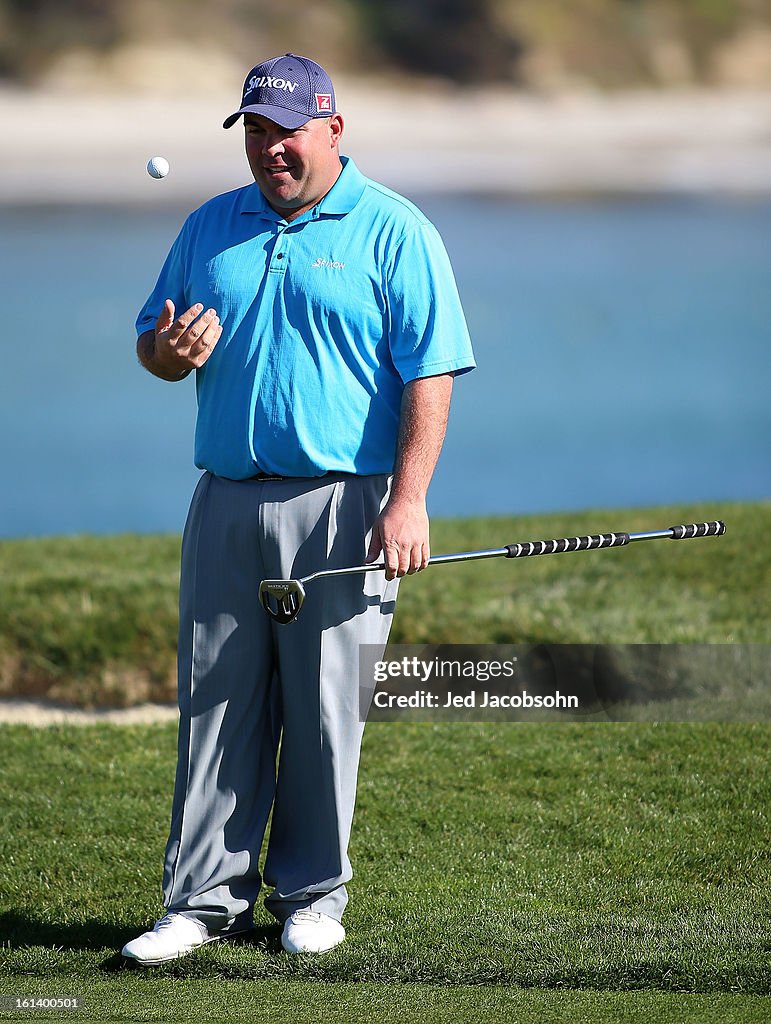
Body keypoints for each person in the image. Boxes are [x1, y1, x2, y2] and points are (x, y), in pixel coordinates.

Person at [121, 53, 475, 964]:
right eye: (255, 130)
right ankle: (200, 902)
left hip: (345, 504)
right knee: (217, 703)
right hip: (227, 499)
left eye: (287, 130)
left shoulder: (394, 229)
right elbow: (153, 353)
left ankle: (313, 896)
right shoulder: (209, 227)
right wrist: (169, 354)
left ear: (332, 130)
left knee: (325, 712)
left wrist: (409, 502)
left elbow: (427, 373)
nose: (270, 148)